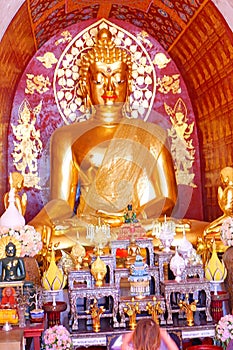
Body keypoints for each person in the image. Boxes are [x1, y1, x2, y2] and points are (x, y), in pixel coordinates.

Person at [29, 28, 177, 249]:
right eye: (99, 81)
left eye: (118, 80)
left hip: (136, 226)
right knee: (52, 241)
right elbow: (61, 203)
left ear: (129, 86)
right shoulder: (66, 136)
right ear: (85, 86)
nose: (109, 88)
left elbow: (167, 198)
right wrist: (42, 220)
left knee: (194, 232)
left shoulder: (152, 134)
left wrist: (132, 220)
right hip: (89, 228)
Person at [204, 166, 233, 251]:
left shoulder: (230, 190)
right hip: (228, 218)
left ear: (226, 178)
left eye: (222, 177)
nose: (221, 181)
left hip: (229, 218)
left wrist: (220, 199)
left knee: (207, 231)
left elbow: (228, 210)